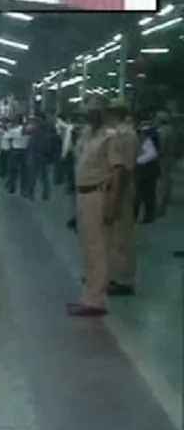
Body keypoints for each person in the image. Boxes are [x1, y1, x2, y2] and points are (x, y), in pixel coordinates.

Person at [68, 99, 127, 317]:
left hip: (98, 194)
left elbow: (118, 172)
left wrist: (112, 204)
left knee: (98, 248)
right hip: (83, 194)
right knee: (88, 248)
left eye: (94, 110)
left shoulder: (110, 137)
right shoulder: (86, 135)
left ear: (103, 113)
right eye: (87, 110)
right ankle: (89, 295)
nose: (88, 114)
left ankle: (96, 300)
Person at [106, 100, 137, 295]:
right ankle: (114, 275)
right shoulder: (119, 133)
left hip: (122, 188)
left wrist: (116, 196)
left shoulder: (126, 135)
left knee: (123, 235)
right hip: (117, 187)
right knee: (114, 234)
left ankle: (124, 280)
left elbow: (124, 168)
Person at [133, 111, 163, 224]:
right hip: (147, 169)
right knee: (146, 193)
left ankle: (143, 215)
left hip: (145, 169)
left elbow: (152, 153)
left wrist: (137, 161)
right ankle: (146, 215)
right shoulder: (148, 136)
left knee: (142, 193)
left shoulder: (145, 139)